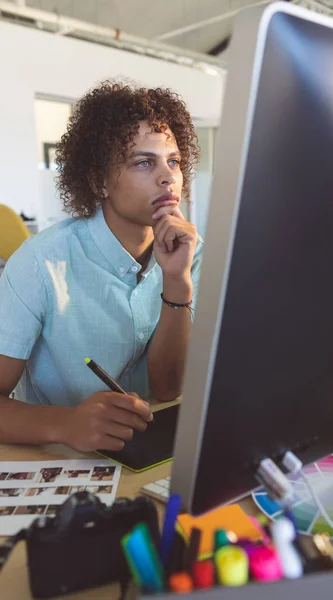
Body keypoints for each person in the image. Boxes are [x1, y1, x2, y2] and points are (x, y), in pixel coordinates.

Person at [0, 79, 202, 452]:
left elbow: (169, 389)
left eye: (173, 161)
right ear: (99, 180)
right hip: (63, 459)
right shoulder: (41, 262)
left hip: (153, 453)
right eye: (144, 162)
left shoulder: (191, 253)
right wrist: (66, 423)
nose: (167, 177)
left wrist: (177, 281)